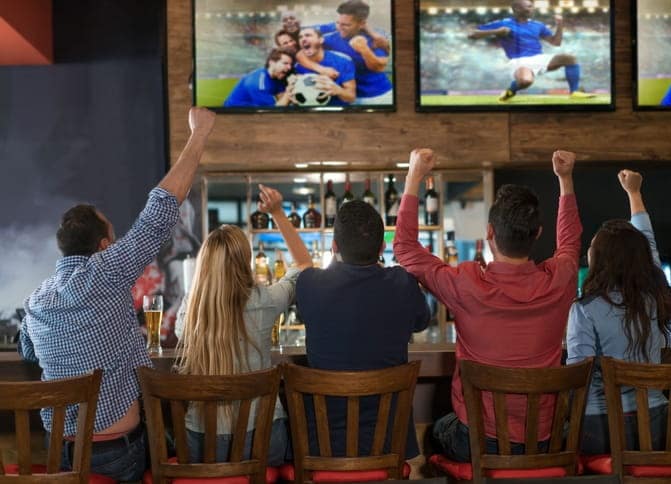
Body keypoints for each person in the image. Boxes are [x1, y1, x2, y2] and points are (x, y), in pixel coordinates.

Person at [17, 107, 216, 481]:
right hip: (116, 452)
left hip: (61, 454)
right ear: (106, 245)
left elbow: (27, 350)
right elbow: (159, 212)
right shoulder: (107, 272)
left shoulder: (37, 299)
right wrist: (199, 134)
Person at [394, 148, 581, 462]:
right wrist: (565, 179)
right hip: (546, 442)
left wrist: (414, 176)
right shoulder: (560, 280)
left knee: (434, 431)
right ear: (537, 233)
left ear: (490, 234)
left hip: (478, 441)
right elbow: (571, 242)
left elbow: (405, 249)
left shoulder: (467, 284)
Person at [174, 185, 312, 464]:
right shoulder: (266, 300)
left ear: (205, 263)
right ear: (245, 261)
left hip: (201, 444)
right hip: (262, 440)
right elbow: (305, 266)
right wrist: (277, 213)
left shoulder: (191, 310)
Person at [295, 200, 430, 461]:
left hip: (321, 447)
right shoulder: (403, 283)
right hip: (390, 444)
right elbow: (422, 321)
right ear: (382, 247)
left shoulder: (309, 283)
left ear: (334, 246)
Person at [566, 170, 671, 454]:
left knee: (559, 436)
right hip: (661, 427)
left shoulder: (584, 310)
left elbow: (576, 378)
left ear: (596, 259)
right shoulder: (657, 299)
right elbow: (650, 247)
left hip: (602, 431)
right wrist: (635, 194)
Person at [469, 0, 594, 102]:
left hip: (539, 58)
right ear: (517, 9)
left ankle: (574, 92)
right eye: (529, 6)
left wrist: (560, 25)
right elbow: (472, 34)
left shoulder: (537, 25)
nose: (532, 8)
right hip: (519, 61)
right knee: (526, 81)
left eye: (532, 6)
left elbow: (556, 43)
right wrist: (498, 31)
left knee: (569, 58)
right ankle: (511, 91)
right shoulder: (503, 23)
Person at [320, 0, 393, 105]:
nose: (340, 28)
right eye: (338, 23)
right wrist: (320, 68)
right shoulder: (329, 39)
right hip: (347, 97)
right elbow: (302, 50)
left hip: (378, 96)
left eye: (346, 25)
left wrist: (364, 49)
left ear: (362, 23)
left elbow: (379, 67)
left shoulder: (376, 39)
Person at [294, 27, 357, 105]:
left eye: (308, 35)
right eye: (300, 37)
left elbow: (351, 97)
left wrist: (338, 90)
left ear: (321, 40)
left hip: (338, 112)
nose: (303, 39)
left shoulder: (343, 61)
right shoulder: (297, 66)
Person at [223, 49, 296, 108]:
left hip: (250, 113)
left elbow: (281, 97)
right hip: (234, 115)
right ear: (272, 62)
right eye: (285, 63)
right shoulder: (258, 83)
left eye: (290, 64)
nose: (289, 68)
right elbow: (275, 111)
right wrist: (288, 92)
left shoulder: (278, 75)